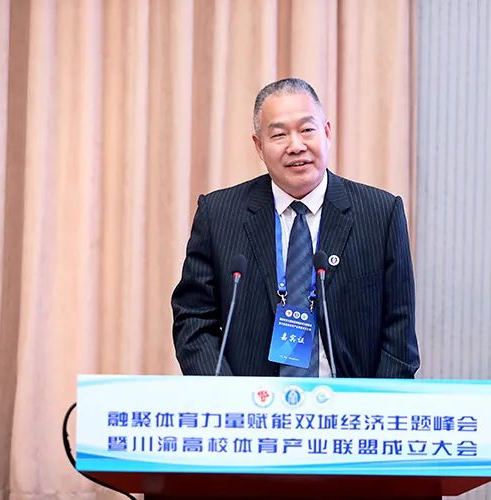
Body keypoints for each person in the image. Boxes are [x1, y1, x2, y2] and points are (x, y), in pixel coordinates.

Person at [171, 78, 419, 378]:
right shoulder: (219, 214)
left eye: (307, 130)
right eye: (279, 135)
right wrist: (227, 394)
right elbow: (194, 320)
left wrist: (371, 402)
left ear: (326, 133)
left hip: (350, 401)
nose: (296, 146)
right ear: (259, 146)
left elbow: (399, 329)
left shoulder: (380, 214)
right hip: (250, 402)